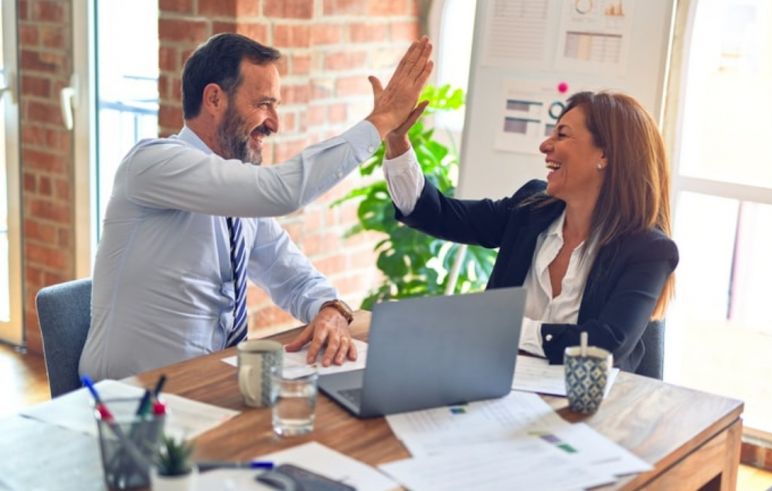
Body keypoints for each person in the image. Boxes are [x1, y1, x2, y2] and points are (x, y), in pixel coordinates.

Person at [79, 33, 433, 380]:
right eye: (264, 104)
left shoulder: (237, 197)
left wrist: (330, 309)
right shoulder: (153, 164)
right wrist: (382, 120)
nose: (274, 124)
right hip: (129, 402)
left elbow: (292, 275)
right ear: (215, 99)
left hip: (208, 387)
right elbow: (283, 191)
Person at [382, 91, 678, 372]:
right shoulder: (530, 209)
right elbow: (437, 214)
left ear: (605, 155)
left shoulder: (648, 251)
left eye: (562, 134)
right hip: (497, 387)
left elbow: (605, 345)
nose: (545, 145)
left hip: (589, 409)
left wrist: (505, 327)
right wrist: (397, 142)